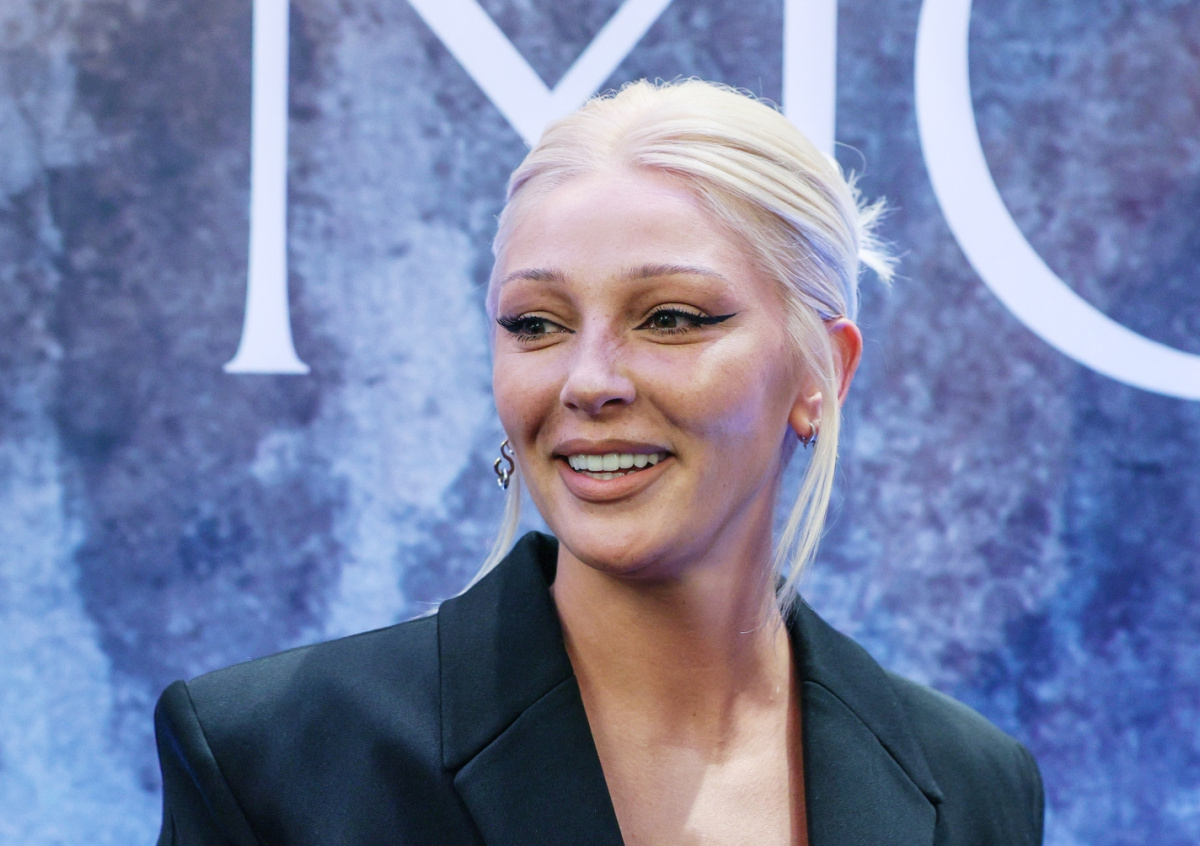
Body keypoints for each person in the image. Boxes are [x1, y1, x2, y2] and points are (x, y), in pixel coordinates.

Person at [154, 79, 1044, 845]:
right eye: (536, 325)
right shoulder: (272, 756)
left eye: (671, 318)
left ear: (822, 373)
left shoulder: (975, 787)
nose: (589, 381)